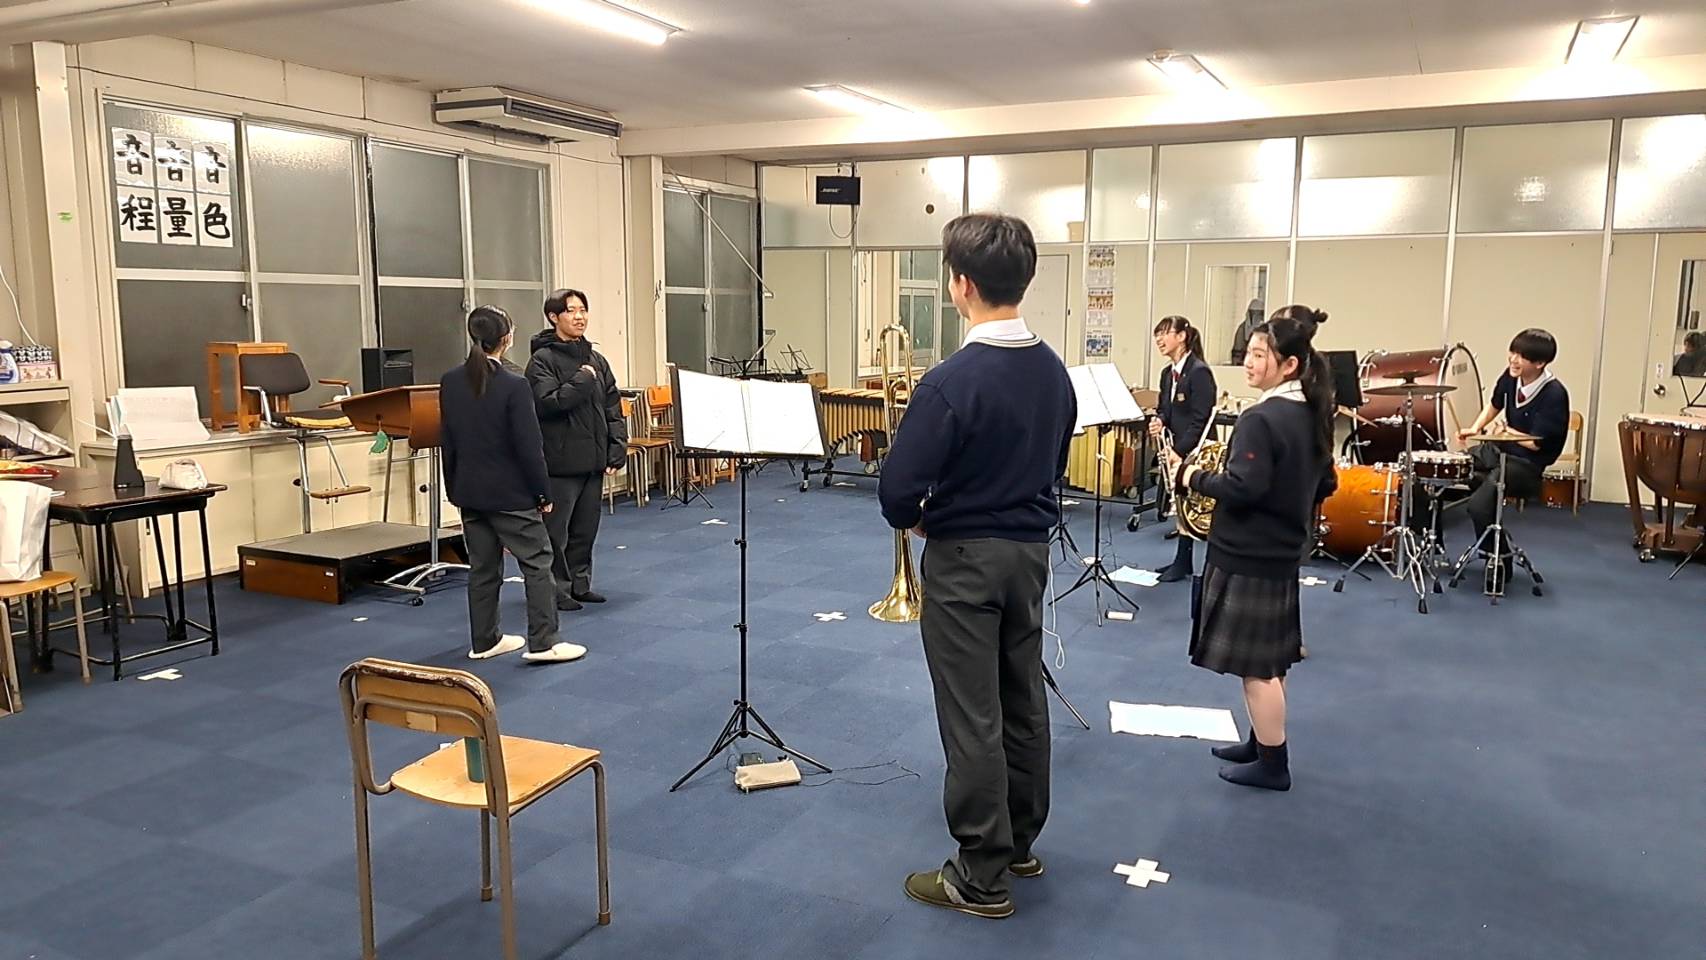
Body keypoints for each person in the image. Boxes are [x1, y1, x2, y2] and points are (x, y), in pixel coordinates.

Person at [877, 213, 1076, 920]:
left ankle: (980, 876)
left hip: (965, 563)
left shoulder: (950, 382)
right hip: (1030, 556)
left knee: (972, 716)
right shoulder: (1055, 372)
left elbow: (897, 493)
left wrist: (926, 516)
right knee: (1022, 699)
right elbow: (1054, 465)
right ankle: (1019, 843)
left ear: (960, 285)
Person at [1171, 305, 1336, 792]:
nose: (1248, 361)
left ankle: (1273, 764)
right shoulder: (1311, 412)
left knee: (1256, 670)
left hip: (1249, 554)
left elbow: (1243, 487)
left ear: (1290, 365)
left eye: (1260, 354)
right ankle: (1261, 741)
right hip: (1281, 550)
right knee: (1270, 661)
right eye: (1249, 351)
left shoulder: (1262, 418)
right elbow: (1326, 482)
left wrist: (1192, 476)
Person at [439, 306, 583, 664]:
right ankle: (544, 643)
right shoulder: (514, 384)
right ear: (507, 338)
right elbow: (529, 447)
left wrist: (453, 488)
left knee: (483, 569)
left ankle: (484, 641)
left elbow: (448, 441)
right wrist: (542, 493)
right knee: (538, 563)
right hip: (511, 494)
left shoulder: (450, 380)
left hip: (469, 492)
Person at [526, 289, 627, 611]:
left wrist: (617, 446)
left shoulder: (596, 359)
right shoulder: (542, 361)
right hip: (560, 463)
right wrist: (582, 380)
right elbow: (548, 404)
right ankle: (556, 591)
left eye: (583, 309)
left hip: (593, 461)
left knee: (585, 530)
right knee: (556, 533)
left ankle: (580, 584)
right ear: (554, 317)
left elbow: (612, 406)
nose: (579, 317)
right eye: (571, 311)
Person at [1454, 328, 1570, 590]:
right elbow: (1495, 404)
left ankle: (1498, 559)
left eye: (1522, 356)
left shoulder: (1554, 394)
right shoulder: (1510, 377)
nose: (1513, 360)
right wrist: (1475, 428)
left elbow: (1537, 443)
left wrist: (1507, 432)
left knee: (1479, 506)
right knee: (1446, 469)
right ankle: (1434, 547)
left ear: (1540, 363)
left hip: (1526, 465)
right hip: (1497, 452)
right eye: (1513, 352)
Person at [1147, 315, 1216, 582]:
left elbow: (1201, 418)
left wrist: (1179, 450)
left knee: (1192, 505)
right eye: (1157, 334)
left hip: (1196, 447)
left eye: (1164, 333)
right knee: (1179, 502)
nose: (1159, 340)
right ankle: (1182, 561)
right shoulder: (1167, 374)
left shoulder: (1199, 372)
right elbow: (1165, 408)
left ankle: (1193, 564)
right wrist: (1159, 420)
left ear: (1182, 336)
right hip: (1176, 445)